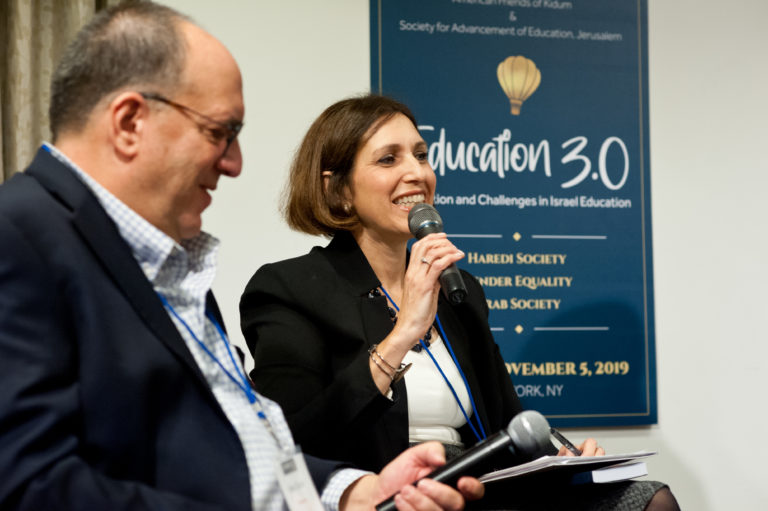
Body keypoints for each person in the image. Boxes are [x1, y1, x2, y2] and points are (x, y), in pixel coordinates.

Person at [0, 4, 484, 510]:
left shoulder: (168, 266)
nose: (234, 163)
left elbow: (231, 454)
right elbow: (26, 486)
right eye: (219, 132)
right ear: (129, 122)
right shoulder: (18, 239)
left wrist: (352, 491)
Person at [239, 95, 679, 510]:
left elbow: (506, 418)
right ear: (338, 190)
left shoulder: (457, 287)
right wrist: (403, 333)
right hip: (388, 491)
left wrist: (562, 457)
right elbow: (295, 437)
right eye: (389, 159)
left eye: (421, 155)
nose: (416, 172)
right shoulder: (290, 288)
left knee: (649, 499)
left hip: (478, 485)